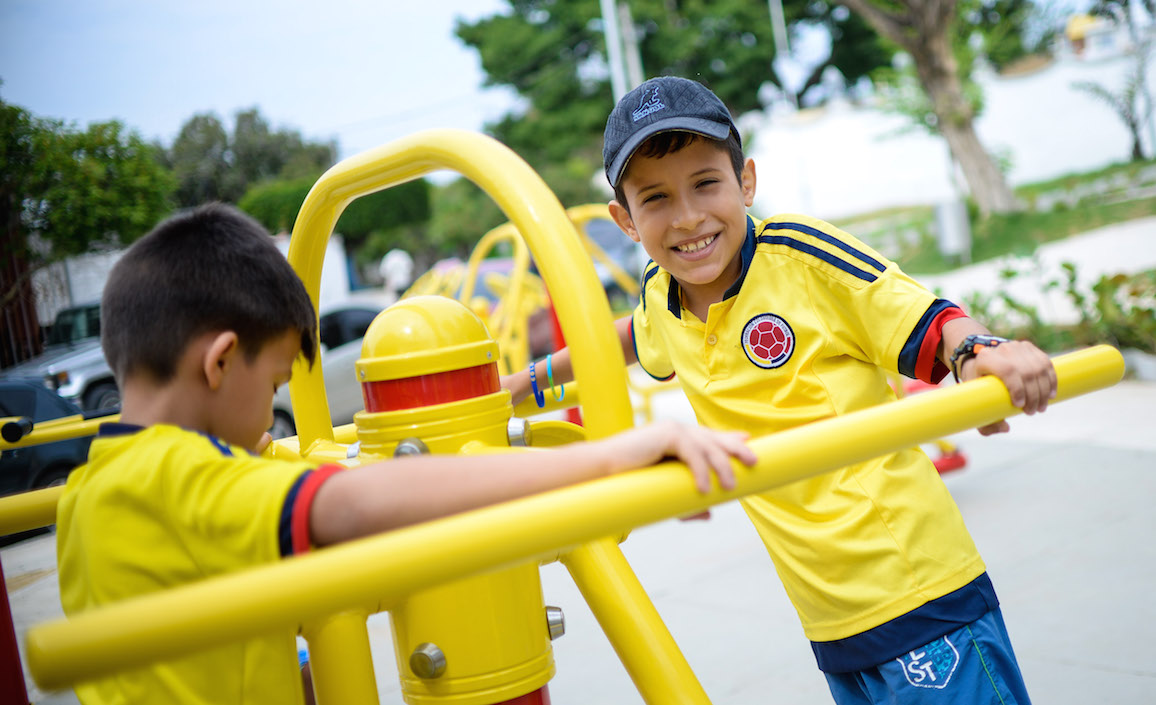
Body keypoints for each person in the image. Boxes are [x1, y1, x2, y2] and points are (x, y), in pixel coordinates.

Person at [56, 202, 757, 705]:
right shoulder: (184, 478)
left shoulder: (90, 489)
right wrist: (619, 455)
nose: (269, 422)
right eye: (273, 384)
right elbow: (356, 502)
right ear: (220, 362)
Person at [506, 76, 1056, 704]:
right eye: (655, 198)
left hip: (916, 584)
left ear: (746, 183)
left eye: (706, 183)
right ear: (625, 220)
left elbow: (915, 312)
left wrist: (977, 353)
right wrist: (524, 383)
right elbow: (628, 337)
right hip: (830, 616)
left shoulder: (795, 255)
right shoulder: (662, 295)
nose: (687, 217)